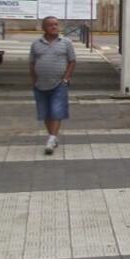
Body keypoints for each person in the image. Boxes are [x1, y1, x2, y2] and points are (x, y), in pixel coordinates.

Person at [29, 16, 76, 155]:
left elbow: (72, 61)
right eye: (50, 25)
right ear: (44, 28)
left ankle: (51, 139)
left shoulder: (66, 42)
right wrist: (33, 80)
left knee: (56, 110)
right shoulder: (36, 44)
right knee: (45, 112)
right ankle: (52, 137)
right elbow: (32, 63)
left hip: (59, 83)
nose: (54, 27)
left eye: (56, 24)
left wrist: (66, 78)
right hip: (40, 84)